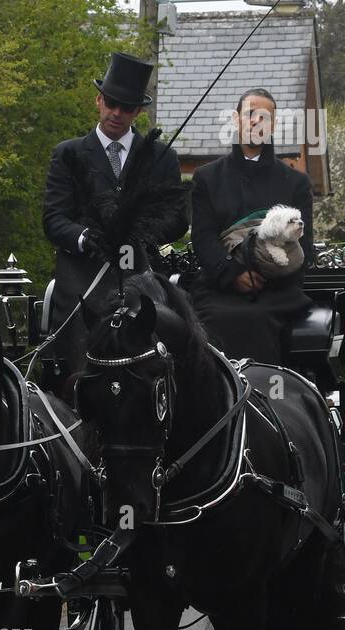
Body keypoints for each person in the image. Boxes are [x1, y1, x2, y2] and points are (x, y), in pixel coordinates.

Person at [42, 51, 188, 389]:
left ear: (137, 111)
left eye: (126, 107)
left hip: (141, 273)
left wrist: (138, 233)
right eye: (111, 103)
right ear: (98, 100)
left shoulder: (160, 157)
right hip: (84, 276)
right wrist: (85, 237)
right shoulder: (69, 154)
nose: (116, 113)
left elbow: (177, 216)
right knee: (84, 339)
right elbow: (54, 218)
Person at [189, 88, 314, 365]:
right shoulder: (206, 178)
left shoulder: (296, 183)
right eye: (250, 115)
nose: (256, 122)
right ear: (236, 120)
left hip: (276, 293)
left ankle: (264, 401)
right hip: (219, 289)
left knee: (255, 319)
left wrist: (267, 273)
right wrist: (233, 274)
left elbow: (304, 246)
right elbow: (203, 237)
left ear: (274, 125)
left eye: (264, 117)